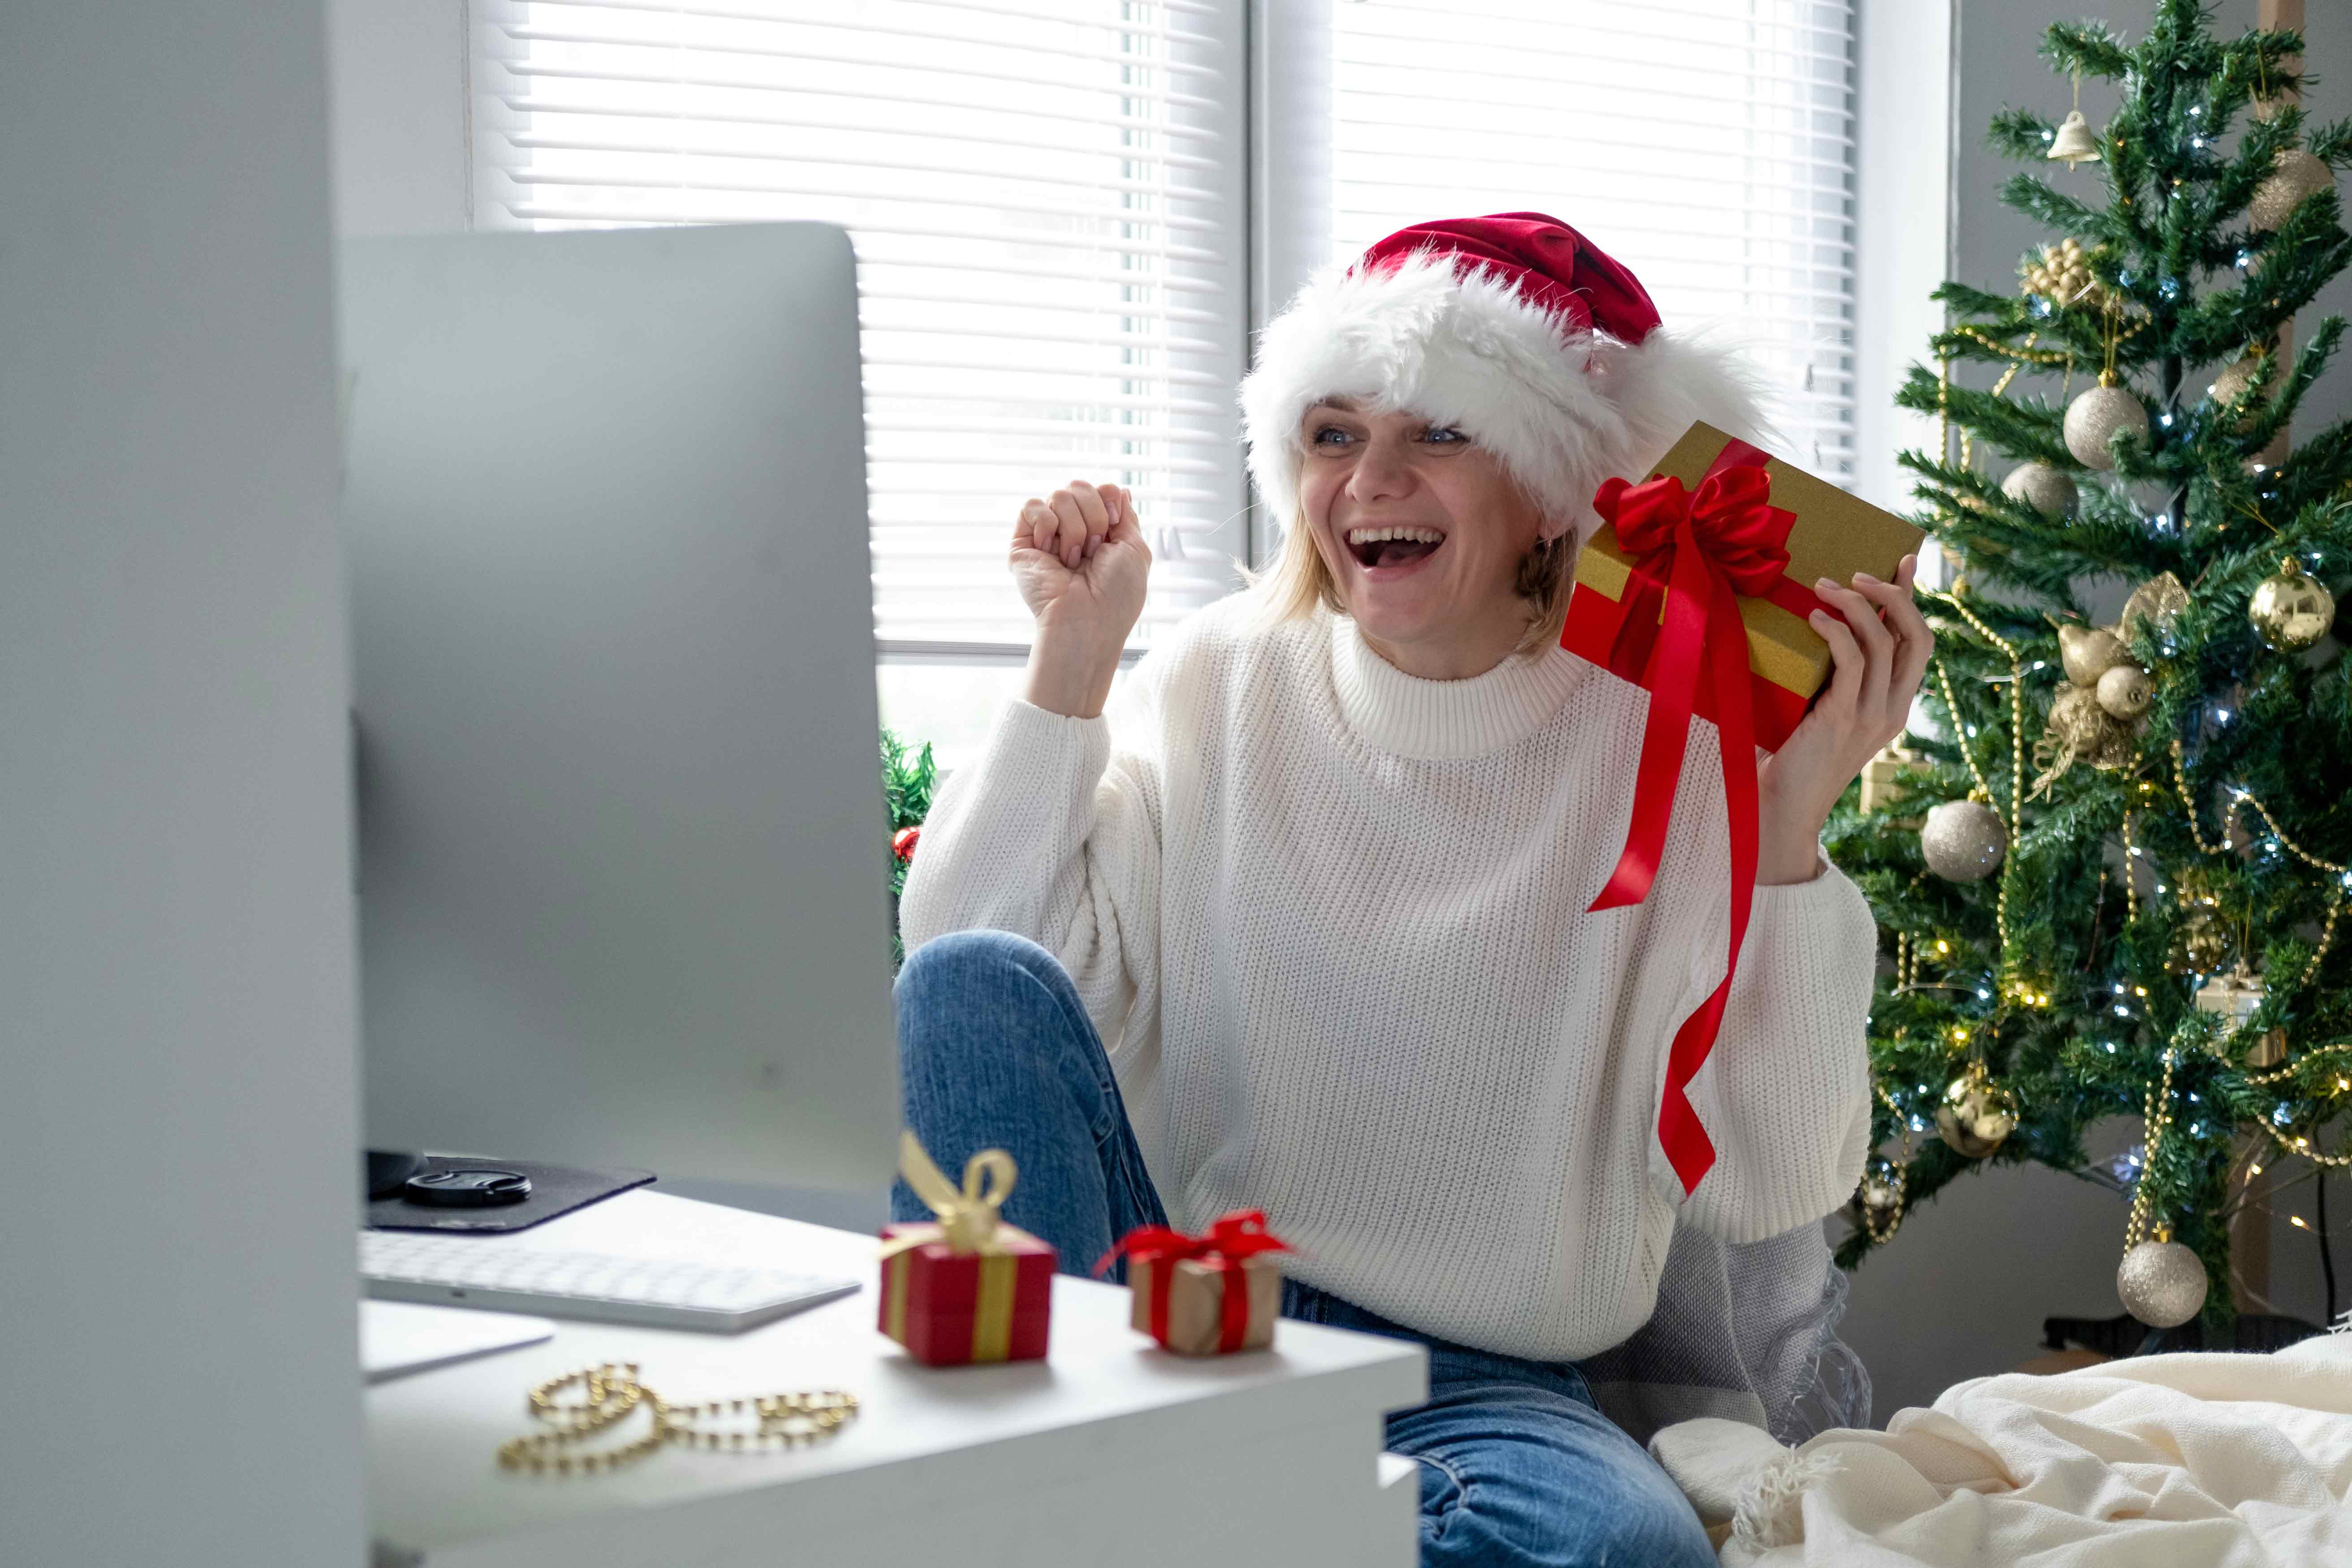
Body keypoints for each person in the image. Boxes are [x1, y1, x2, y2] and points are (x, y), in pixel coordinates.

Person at [895, 214, 1931, 1566]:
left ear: (1559, 488)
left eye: (1437, 432)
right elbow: (975, 965)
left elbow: (1772, 1176)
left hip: (1482, 1390)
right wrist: (1071, 663)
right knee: (969, 979)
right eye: (1331, 434)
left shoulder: (1675, 747)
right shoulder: (1220, 679)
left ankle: (1114, 1527)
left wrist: (1791, 823)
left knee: (1622, 1547)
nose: (1369, 478)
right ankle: (1106, 1484)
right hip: (1181, 1322)